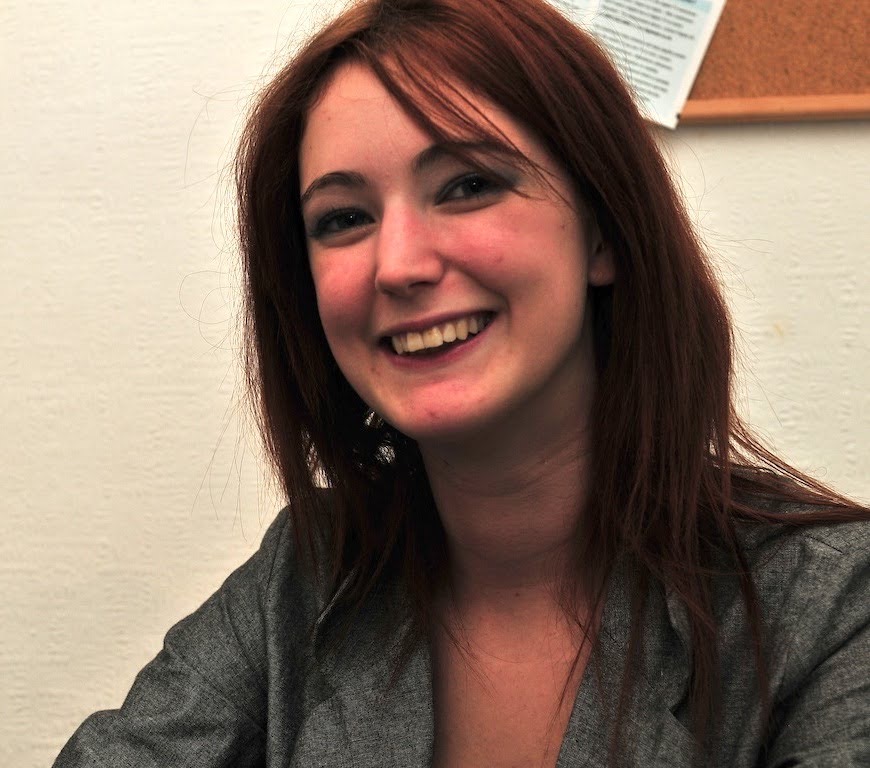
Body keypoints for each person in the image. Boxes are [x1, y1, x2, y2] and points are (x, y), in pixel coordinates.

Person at [54, 0, 868, 766]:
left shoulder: (831, 604)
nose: (399, 264)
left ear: (604, 231)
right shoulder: (307, 574)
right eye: (342, 218)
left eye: (469, 185)